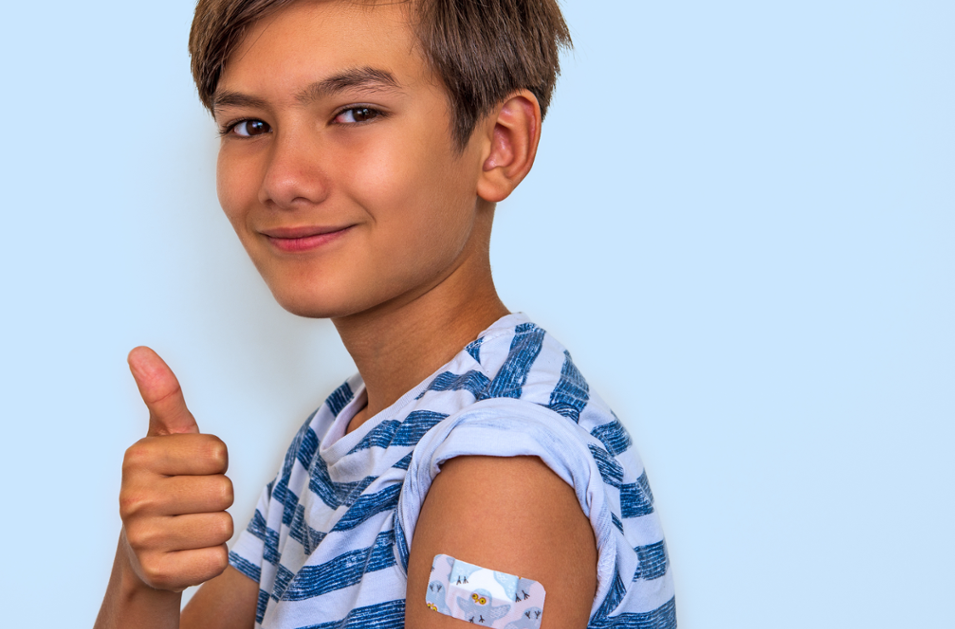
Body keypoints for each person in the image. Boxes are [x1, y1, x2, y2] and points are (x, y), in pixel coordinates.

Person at [94, 0, 675, 627]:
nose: (283, 180)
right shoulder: (339, 433)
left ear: (499, 146)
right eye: (250, 126)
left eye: (356, 113)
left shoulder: (502, 471)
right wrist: (144, 578)